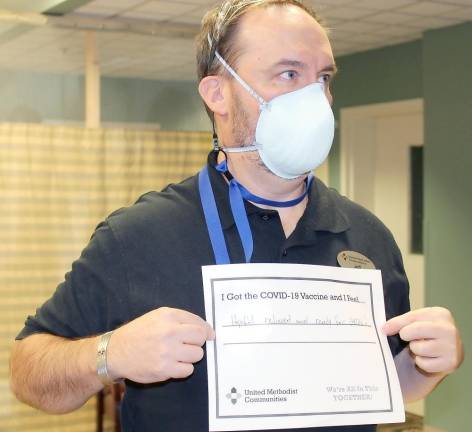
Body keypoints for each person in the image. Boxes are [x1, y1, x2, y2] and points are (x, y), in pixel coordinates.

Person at [10, 1, 463, 431]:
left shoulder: (367, 236)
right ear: (218, 93)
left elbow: (373, 387)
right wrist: (112, 353)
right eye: (288, 73)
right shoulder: (139, 235)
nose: (315, 98)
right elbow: (29, 373)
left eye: (323, 77)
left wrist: (426, 366)